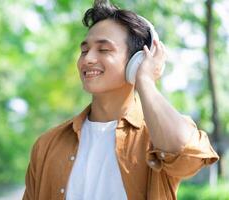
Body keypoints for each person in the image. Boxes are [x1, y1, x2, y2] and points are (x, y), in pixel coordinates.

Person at [22, 1, 219, 199]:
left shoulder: (157, 136)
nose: (87, 59)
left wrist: (145, 80)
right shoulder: (47, 145)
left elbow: (186, 156)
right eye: (84, 50)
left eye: (104, 50)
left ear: (137, 61)